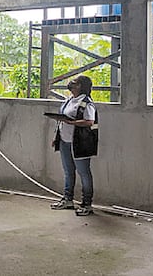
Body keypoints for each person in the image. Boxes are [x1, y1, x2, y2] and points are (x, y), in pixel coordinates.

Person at [50, 75, 98, 216]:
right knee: (68, 171)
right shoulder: (69, 100)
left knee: (84, 173)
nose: (71, 84)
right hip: (65, 141)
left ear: (81, 86)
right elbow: (62, 119)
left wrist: (73, 123)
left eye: (75, 83)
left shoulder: (86, 102)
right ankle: (68, 199)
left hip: (80, 142)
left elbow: (90, 121)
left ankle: (87, 204)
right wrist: (56, 137)